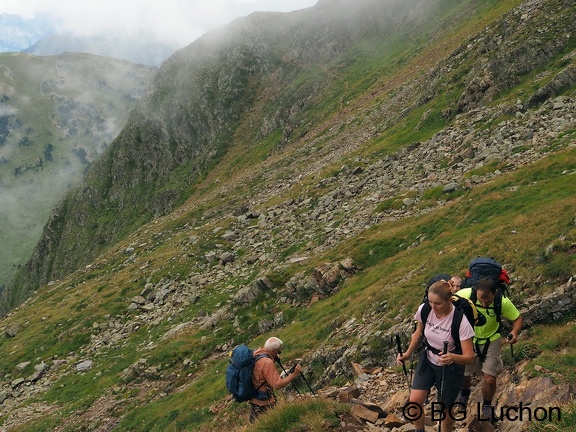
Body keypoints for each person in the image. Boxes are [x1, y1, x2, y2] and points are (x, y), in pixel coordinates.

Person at [397, 280, 475, 432]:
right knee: (414, 401)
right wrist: (407, 353)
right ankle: (419, 430)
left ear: (449, 299)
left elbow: (469, 356)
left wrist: (452, 357)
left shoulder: (461, 321)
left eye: (437, 303)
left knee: (445, 409)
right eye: (430, 301)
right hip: (428, 359)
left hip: (450, 367)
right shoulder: (425, 309)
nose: (433, 307)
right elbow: (418, 333)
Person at [454, 278, 523, 422]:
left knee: (490, 378)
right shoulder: (466, 295)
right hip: (468, 339)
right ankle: (464, 394)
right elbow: (447, 304)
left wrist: (514, 333)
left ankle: (486, 406)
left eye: (488, 301)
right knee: (465, 373)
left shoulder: (502, 302)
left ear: (495, 293)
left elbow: (517, 318)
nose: (484, 304)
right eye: (481, 300)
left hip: (492, 339)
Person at [250, 336, 302, 422]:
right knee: (273, 423)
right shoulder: (267, 362)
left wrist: (272, 358)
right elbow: (278, 384)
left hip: (254, 397)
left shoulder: (256, 353)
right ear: (274, 351)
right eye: (278, 351)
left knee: (254, 424)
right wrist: (294, 374)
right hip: (264, 402)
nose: (279, 354)